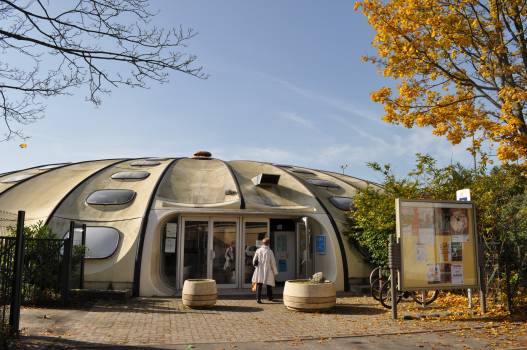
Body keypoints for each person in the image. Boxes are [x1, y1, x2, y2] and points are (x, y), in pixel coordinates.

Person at [252, 237, 278, 303]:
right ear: (268, 243)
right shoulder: (269, 251)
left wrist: (256, 267)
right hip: (267, 269)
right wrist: (275, 272)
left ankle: (258, 299)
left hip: (259, 270)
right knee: (269, 284)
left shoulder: (258, 250)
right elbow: (273, 262)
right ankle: (270, 297)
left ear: (262, 243)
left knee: (259, 284)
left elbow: (254, 260)